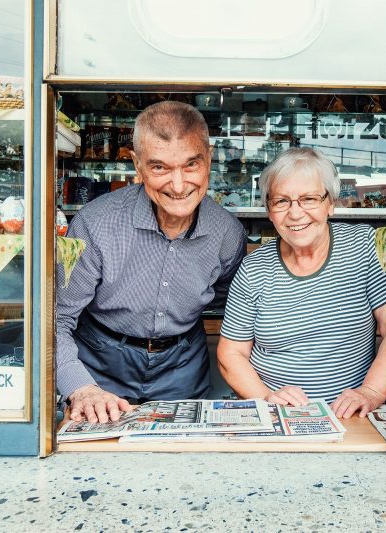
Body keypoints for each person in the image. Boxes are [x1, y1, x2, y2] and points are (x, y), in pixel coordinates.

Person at [57, 101, 247, 424]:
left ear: (209, 160)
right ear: (137, 165)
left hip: (183, 368)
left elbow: (231, 302)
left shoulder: (227, 233)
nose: (178, 185)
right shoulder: (93, 225)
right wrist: (81, 387)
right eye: (159, 167)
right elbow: (57, 320)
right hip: (99, 366)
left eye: (191, 165)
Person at [217, 147, 386, 419]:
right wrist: (266, 397)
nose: (295, 214)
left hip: (351, 415)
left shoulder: (364, 247)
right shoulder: (254, 268)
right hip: (277, 414)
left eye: (309, 199)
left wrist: (371, 392)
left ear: (330, 203)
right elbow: (231, 353)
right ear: (269, 210)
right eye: (281, 201)